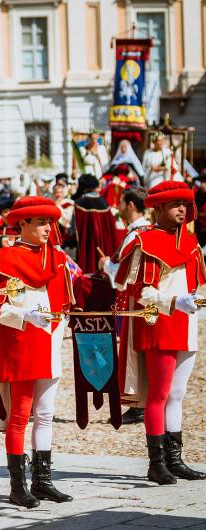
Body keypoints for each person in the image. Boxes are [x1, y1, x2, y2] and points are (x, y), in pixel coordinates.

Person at [0, 196, 73, 508]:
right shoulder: (3, 258)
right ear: (22, 224)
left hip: (49, 344)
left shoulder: (58, 260)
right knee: (19, 417)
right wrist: (24, 317)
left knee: (46, 414)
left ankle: (43, 481)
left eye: (51, 222)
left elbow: (64, 305)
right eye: (41, 222)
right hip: (20, 345)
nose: (49, 228)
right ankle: (17, 486)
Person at [114, 181, 206, 484]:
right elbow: (140, 292)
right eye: (175, 205)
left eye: (185, 204)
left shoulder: (191, 242)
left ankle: (174, 459)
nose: (182, 210)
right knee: (159, 394)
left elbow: (193, 284)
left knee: (177, 394)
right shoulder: (145, 240)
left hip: (186, 322)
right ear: (159, 208)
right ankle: (156, 463)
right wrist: (173, 301)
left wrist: (191, 300)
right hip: (160, 323)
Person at [96, 188, 150, 426]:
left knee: (132, 353)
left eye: (120, 202)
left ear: (130, 205)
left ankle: (138, 403)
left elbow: (125, 276)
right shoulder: (147, 231)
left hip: (132, 300)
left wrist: (107, 265)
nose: (118, 206)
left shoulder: (135, 235)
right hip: (141, 300)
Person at [71, 174, 119, 275]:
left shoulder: (79, 203)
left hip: (87, 246)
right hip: (105, 246)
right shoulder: (104, 202)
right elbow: (112, 227)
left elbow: (74, 230)